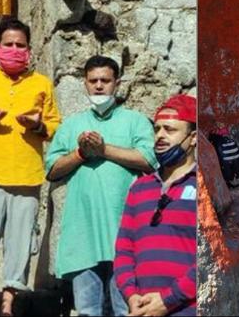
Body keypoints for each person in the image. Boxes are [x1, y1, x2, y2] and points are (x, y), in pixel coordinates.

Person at [0, 18, 62, 316]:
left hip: (28, 178)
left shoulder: (41, 84)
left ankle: (8, 304)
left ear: (29, 49)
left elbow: (55, 126)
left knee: (19, 247)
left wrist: (38, 124)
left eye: (20, 45)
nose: (14, 50)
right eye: (9, 44)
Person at [45, 55, 157, 316]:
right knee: (87, 311)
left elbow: (149, 160)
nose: (98, 86)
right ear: (84, 83)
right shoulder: (72, 125)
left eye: (105, 81)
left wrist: (103, 149)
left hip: (125, 233)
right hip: (83, 236)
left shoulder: (135, 121)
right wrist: (81, 154)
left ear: (116, 83)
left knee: (126, 310)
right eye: (93, 80)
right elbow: (51, 169)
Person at [114, 94, 197, 316]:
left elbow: (212, 259)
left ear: (193, 137)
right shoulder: (139, 188)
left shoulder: (206, 188)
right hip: (141, 309)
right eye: (157, 129)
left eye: (170, 130)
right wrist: (131, 296)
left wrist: (168, 300)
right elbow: (123, 249)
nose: (160, 136)